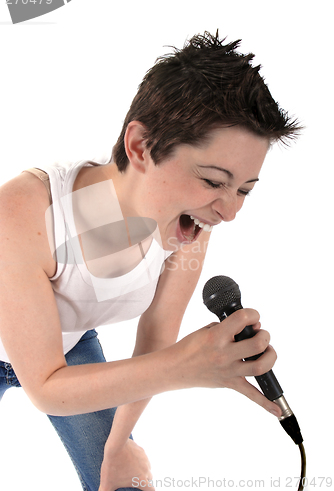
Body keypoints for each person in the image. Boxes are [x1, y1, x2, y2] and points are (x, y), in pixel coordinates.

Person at [0, 31, 301, 491]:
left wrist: (118, 445)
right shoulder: (26, 212)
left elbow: (157, 342)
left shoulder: (191, 225)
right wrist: (186, 366)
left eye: (243, 190)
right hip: (47, 370)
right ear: (141, 146)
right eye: (214, 181)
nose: (230, 211)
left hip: (69, 347)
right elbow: (45, 386)